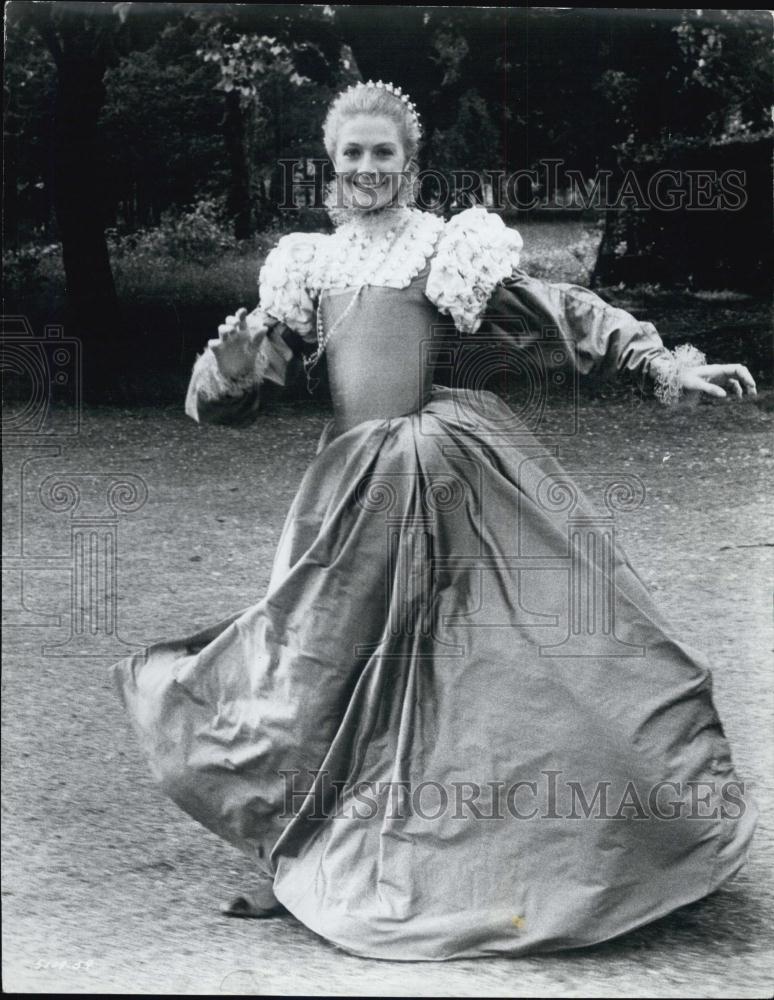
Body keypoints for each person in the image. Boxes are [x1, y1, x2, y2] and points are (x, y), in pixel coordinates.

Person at [113, 80, 758, 961]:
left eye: (383, 152)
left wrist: (660, 362)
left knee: (474, 676)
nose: (367, 167)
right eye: (352, 153)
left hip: (443, 481)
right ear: (330, 164)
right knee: (315, 673)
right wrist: (227, 367)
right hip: (348, 500)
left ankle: (532, 857)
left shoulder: (447, 250)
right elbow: (230, 404)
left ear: (409, 163)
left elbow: (559, 312)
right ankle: (299, 857)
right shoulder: (307, 266)